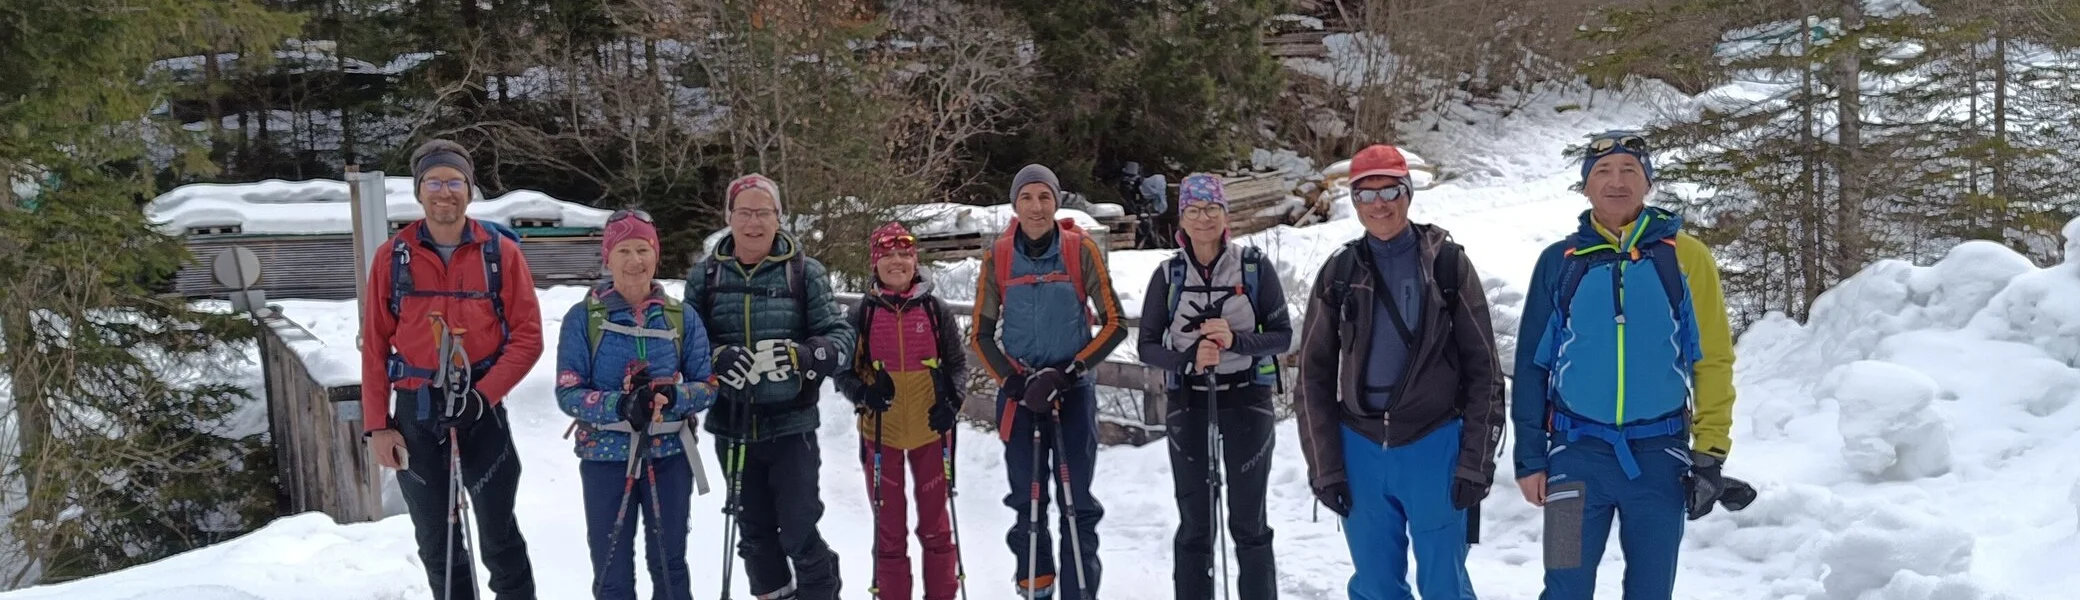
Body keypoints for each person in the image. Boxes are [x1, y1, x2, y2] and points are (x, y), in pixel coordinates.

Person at [1511, 130, 1737, 600]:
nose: (1617, 181)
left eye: (1629, 170)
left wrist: (1710, 452)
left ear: (1648, 182)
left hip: (1659, 459)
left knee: (1651, 591)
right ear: (1586, 186)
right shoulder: (1561, 261)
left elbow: (1711, 359)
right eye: (1603, 172)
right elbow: (1533, 366)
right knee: (1564, 588)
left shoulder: (1685, 256)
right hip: (1575, 458)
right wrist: (1530, 456)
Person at [1294, 144, 1506, 600]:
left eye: (1390, 190)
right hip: (1361, 449)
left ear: (1408, 193)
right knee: (1374, 586)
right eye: (1365, 195)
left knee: (1444, 584)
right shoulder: (1339, 272)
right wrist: (1325, 467)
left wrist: (1476, 461)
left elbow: (1484, 369)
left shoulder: (1447, 265)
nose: (1379, 204)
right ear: (1353, 203)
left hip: (1434, 443)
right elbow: (1311, 377)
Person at [360, 139, 542, 600]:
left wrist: (485, 395)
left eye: (455, 181)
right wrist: (377, 426)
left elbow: (528, 337)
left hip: (482, 406)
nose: (446, 192)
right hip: (416, 413)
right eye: (435, 182)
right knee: (437, 541)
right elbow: (376, 345)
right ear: (419, 191)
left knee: (499, 534)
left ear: (471, 190)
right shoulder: (392, 256)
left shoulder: (499, 253)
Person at [688, 173, 856, 600]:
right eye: (744, 212)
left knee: (799, 529)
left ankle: (821, 590)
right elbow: (685, 340)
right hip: (733, 423)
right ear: (728, 217)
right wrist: (715, 358)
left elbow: (840, 336)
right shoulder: (705, 276)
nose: (754, 222)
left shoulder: (805, 273)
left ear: (779, 218)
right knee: (755, 533)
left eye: (764, 212)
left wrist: (806, 355)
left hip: (791, 423)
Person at [969, 164, 1129, 600]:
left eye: (1044, 197)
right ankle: (1035, 589)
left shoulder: (1080, 250)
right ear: (1015, 204)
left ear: (1056, 202)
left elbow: (1115, 324)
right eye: (1027, 198)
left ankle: (1080, 592)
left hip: (1071, 392)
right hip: (1021, 395)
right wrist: (1011, 381)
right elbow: (980, 335)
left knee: (1077, 505)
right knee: (1028, 504)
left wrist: (1070, 371)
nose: (1036, 207)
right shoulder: (998, 257)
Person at [1134, 174, 1292, 600]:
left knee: (1249, 522)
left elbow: (1282, 336)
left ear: (1225, 215)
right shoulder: (1167, 274)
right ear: (1181, 219)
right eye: (1193, 210)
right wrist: (1187, 359)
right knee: (1196, 524)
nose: (1203, 218)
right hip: (1190, 402)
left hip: (1247, 399)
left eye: (1211, 209)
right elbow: (1147, 345)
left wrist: (1237, 341)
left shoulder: (1254, 266)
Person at [554, 209, 718, 600]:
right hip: (605, 458)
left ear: (655, 254)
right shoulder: (583, 318)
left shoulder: (680, 316)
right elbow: (568, 391)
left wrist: (677, 396)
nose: (634, 261)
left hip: (669, 454)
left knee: (670, 563)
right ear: (607, 257)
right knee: (611, 567)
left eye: (643, 249)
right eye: (624, 250)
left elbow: (708, 383)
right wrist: (620, 405)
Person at [833, 221, 970, 600]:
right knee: (890, 532)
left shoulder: (934, 309)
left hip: (932, 430)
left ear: (915, 259)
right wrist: (863, 394)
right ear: (874, 263)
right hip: (882, 434)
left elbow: (958, 364)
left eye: (904, 253)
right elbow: (841, 371)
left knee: (936, 528)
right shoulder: (862, 313)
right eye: (887, 254)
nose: (897, 261)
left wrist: (952, 402)